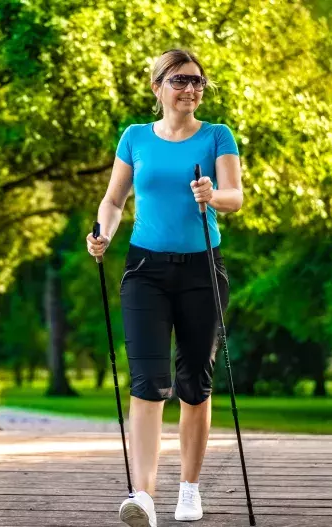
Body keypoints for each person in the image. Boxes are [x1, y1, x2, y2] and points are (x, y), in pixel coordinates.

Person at [85, 48, 244, 527]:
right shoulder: (134, 138)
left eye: (197, 81)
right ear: (157, 87)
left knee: (195, 383)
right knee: (148, 383)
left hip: (202, 271)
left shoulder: (218, 136)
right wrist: (103, 233)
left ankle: (189, 489)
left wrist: (212, 195)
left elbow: (235, 196)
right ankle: (145, 496)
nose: (191, 89)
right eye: (179, 81)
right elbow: (114, 199)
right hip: (145, 272)